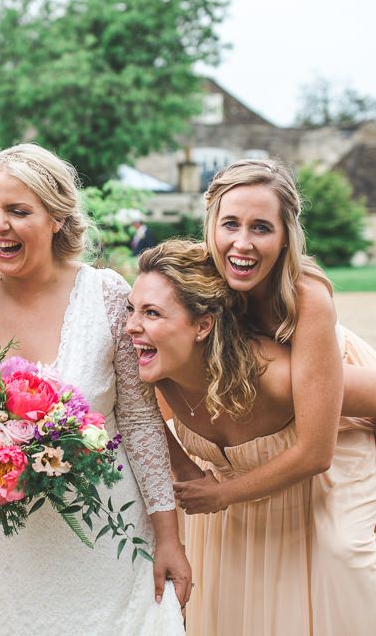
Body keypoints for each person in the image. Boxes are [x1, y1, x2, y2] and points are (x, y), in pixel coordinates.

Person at [0, 143, 188, 635]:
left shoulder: (108, 294)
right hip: (2, 543)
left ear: (56, 219)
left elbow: (138, 421)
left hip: (107, 533)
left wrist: (167, 537)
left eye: (18, 211)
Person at [126, 239, 376, 635]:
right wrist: (186, 467)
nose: (131, 327)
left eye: (152, 313)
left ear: (203, 325)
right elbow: (133, 418)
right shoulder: (152, 368)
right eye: (131, 309)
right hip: (236, 509)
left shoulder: (274, 374)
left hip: (330, 470)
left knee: (342, 578)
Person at [178, 159, 376, 634]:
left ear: (285, 236)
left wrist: (221, 493)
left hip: (342, 423)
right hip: (269, 422)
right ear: (212, 224)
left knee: (344, 551)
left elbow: (316, 451)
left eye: (261, 228)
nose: (242, 244)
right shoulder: (198, 287)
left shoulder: (306, 299)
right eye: (231, 224)